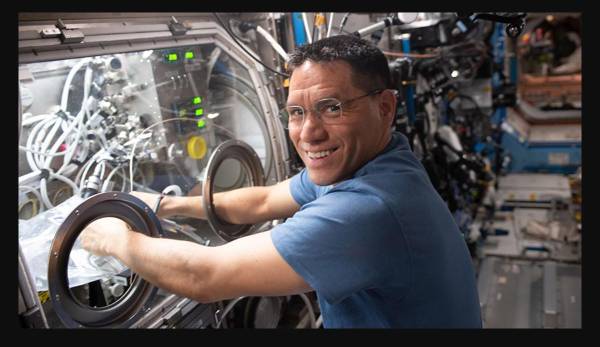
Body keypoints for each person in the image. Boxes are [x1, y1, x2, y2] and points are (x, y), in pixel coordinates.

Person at [81, 35, 482, 328]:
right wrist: (163, 205)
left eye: (331, 107)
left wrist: (114, 238)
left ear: (385, 107)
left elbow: (203, 276)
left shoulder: (370, 209)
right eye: (295, 112)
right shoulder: (379, 161)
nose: (309, 133)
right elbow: (263, 201)